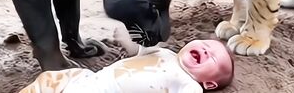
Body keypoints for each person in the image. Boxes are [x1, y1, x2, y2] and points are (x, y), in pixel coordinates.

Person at [19, 26, 234, 93]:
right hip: (87, 80)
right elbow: (142, 51)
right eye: (204, 44)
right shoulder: (167, 55)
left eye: (213, 57)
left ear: (209, 83)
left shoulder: (190, 85)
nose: (205, 50)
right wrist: (131, 39)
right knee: (48, 79)